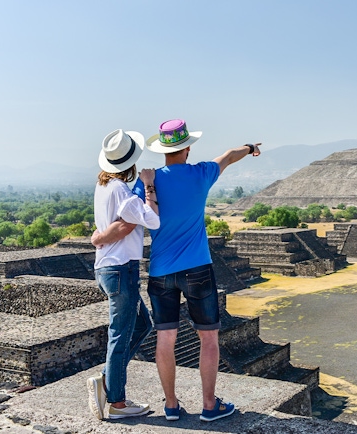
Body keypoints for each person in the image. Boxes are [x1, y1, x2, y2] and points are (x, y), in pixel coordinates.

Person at [93, 119, 261, 423]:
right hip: (198, 267)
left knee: (165, 339)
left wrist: (99, 237)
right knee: (208, 339)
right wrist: (250, 148)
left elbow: (124, 217)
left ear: (162, 148)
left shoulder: (148, 181)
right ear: (187, 147)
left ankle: (171, 405)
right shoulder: (202, 173)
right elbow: (229, 155)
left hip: (160, 272)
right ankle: (209, 405)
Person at [87, 129, 160, 420]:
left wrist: (103, 236)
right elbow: (152, 221)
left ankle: (107, 379)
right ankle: (116, 402)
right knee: (119, 335)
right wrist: (150, 187)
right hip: (121, 269)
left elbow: (118, 228)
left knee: (142, 325)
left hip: (107, 268)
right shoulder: (121, 191)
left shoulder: (102, 187)